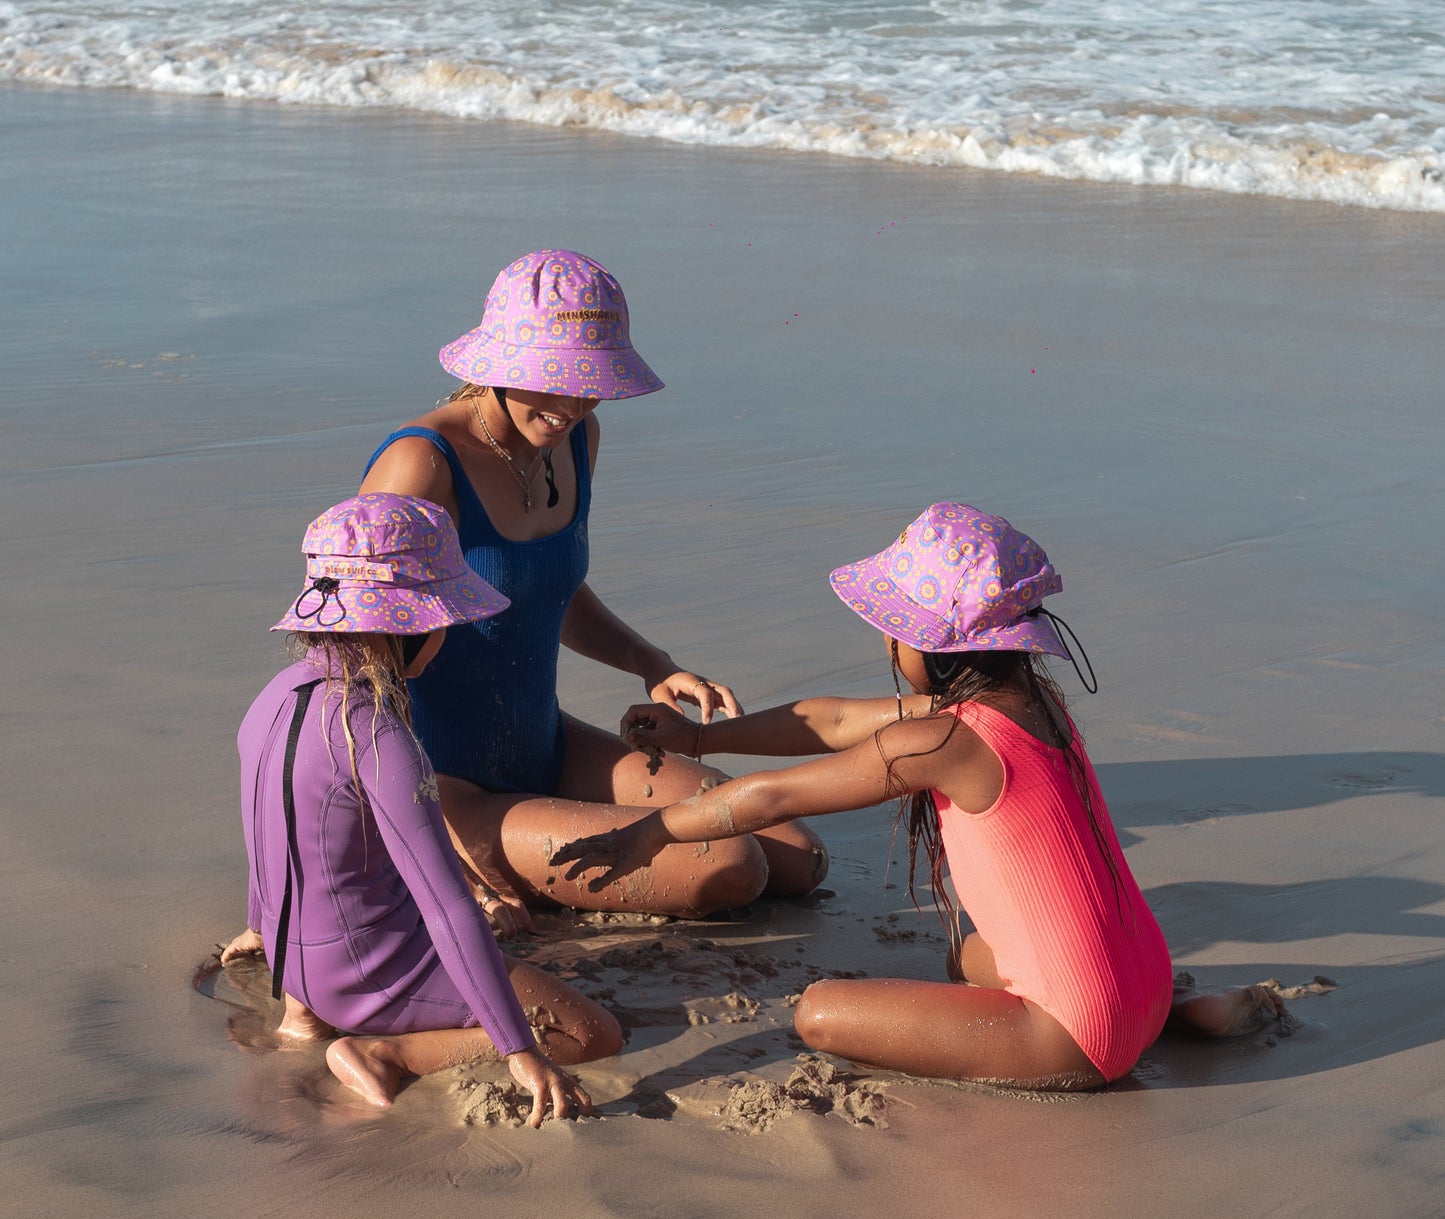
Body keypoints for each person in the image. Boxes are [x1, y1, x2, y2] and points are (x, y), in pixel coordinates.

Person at [552, 503, 1283, 1090]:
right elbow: (831, 719)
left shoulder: (943, 741)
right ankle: (1182, 1014)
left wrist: (648, 833)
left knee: (820, 1012)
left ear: (930, 647)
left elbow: (772, 796)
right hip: (1144, 979)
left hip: (1077, 1033)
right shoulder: (1030, 706)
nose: (886, 647)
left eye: (892, 631)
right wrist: (700, 741)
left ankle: (1106, 1041)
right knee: (970, 956)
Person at [357, 248, 827, 935]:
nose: (571, 402)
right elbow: (345, 653)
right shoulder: (422, 464)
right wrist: (420, 829)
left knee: (795, 857)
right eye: (551, 378)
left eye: (588, 380)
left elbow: (549, 589)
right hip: (438, 781)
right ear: (497, 365)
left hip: (541, 744)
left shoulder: (574, 440)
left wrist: (652, 662)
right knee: (730, 866)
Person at [221, 494, 621, 1122]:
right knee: (589, 1031)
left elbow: (266, 833)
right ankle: (386, 1055)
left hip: (291, 961)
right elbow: (447, 907)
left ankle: (304, 1018)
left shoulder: (273, 698)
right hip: (366, 979)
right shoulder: (376, 735)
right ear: (407, 627)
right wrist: (518, 1049)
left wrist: (260, 928)